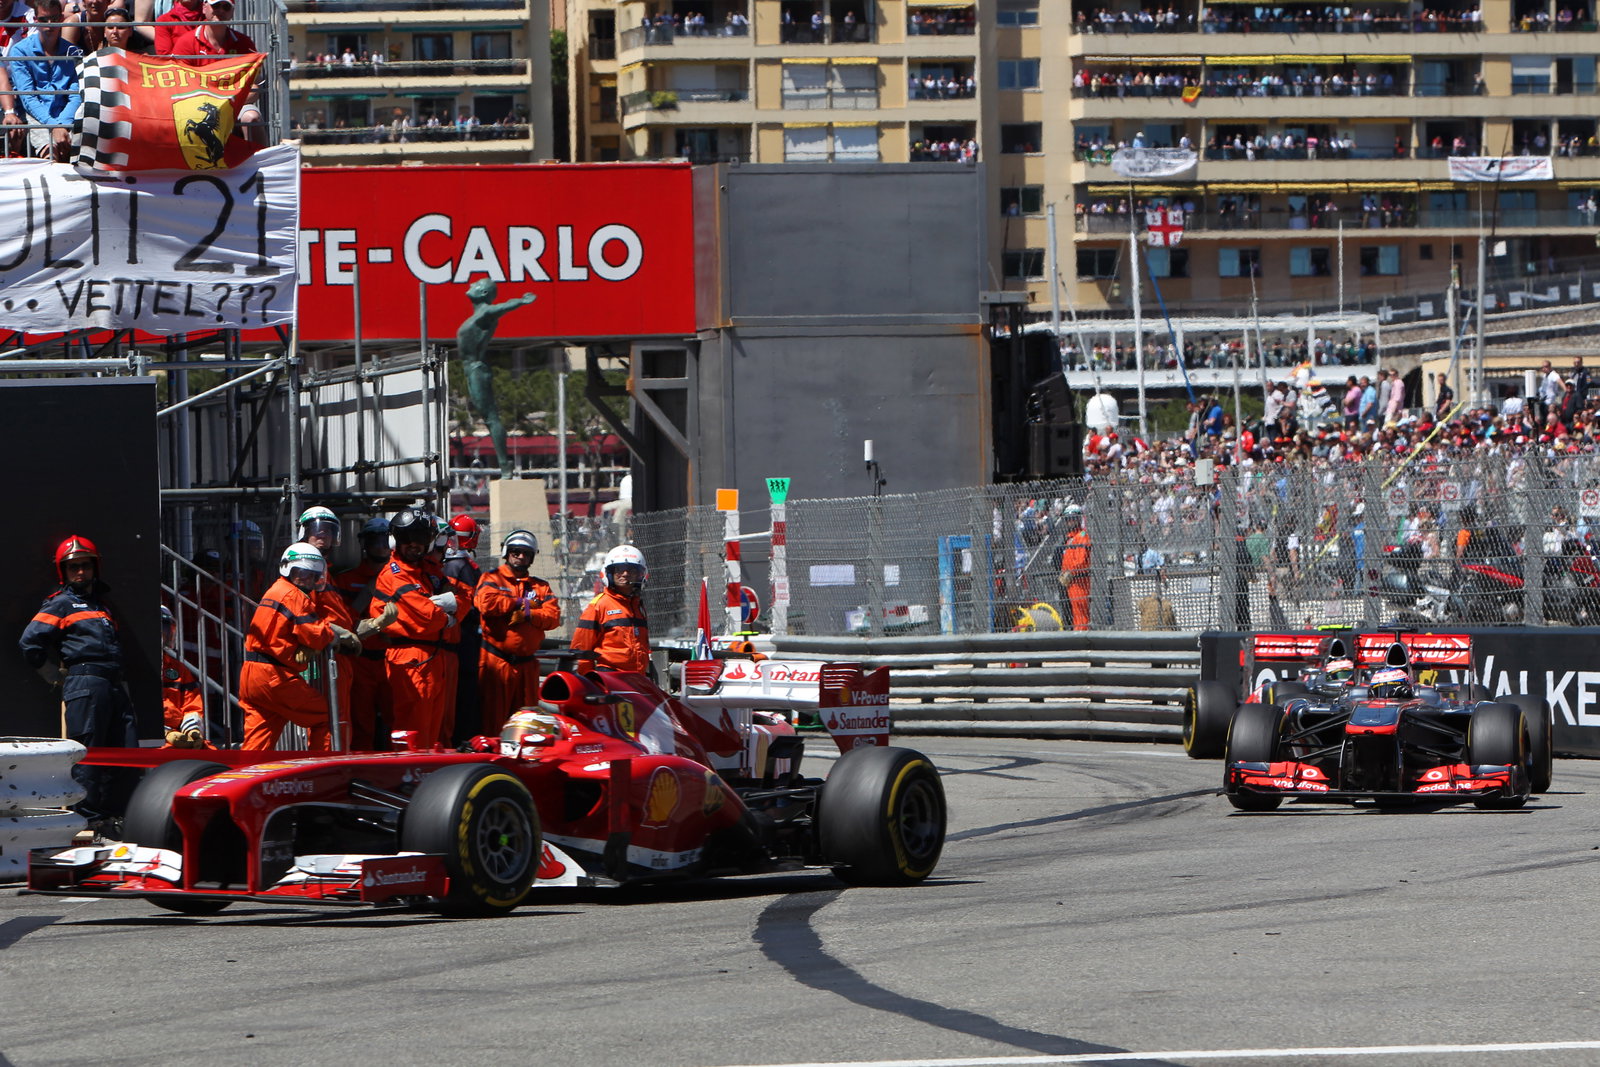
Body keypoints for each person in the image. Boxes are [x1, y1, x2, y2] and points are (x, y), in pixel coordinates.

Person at [18, 535, 138, 830]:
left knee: (125, 751)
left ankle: (113, 818)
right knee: (88, 754)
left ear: (95, 567)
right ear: (64, 572)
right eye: (74, 568)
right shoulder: (60, 604)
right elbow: (29, 641)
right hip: (86, 682)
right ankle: (86, 822)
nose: (80, 572)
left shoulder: (103, 607)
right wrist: (53, 676)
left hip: (114, 684)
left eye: (85, 565)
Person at [240, 543, 361, 751]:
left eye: (312, 576)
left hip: (252, 675)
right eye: (302, 574)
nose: (307, 580)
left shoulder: (275, 590)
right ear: (289, 570)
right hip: (276, 677)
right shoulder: (295, 595)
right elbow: (315, 634)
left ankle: (245, 777)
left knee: (258, 739)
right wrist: (335, 635)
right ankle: (321, 772)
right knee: (328, 717)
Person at [371, 508, 459, 744]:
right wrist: (448, 616)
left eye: (420, 539)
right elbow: (428, 615)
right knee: (413, 730)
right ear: (395, 541)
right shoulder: (394, 575)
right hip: (410, 658)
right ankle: (409, 777)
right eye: (407, 539)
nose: (414, 545)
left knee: (432, 731)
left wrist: (453, 605)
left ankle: (425, 774)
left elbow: (464, 597)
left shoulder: (425, 571)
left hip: (430, 656)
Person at [474, 529, 560, 734]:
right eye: (516, 552)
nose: (521, 557)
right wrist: (518, 602)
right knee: (494, 722)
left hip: (527, 666)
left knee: (526, 723)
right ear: (506, 552)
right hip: (497, 663)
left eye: (526, 553)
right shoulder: (492, 579)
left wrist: (529, 613)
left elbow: (553, 617)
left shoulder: (541, 587)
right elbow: (486, 603)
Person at [456, 279, 535, 478]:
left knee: (491, 418)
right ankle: (504, 465)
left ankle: (505, 466)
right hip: (471, 371)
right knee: (488, 418)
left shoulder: (485, 313)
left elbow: (501, 307)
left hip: (476, 369)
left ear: (483, 293)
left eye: (476, 284)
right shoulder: (479, 315)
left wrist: (521, 301)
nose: (471, 284)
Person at [332, 516, 393, 749]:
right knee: (361, 723)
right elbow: (344, 620)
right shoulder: (346, 580)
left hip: (392, 658)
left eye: (384, 540)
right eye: (374, 540)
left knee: (397, 721)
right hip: (361, 660)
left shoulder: (401, 578)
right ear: (364, 544)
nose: (380, 545)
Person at [7, 0, 82, 162]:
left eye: (54, 19)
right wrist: (54, 125)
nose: (49, 25)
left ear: (61, 19)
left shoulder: (72, 51)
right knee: (51, 153)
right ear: (35, 20)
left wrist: (63, 123)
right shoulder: (20, 51)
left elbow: (75, 94)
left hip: (66, 113)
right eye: (43, 20)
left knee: (79, 151)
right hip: (34, 113)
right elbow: (28, 98)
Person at [571, 544, 651, 674]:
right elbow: (581, 650)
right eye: (619, 569)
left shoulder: (638, 606)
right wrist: (588, 682)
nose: (625, 574)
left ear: (640, 574)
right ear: (610, 573)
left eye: (631, 570)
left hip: (636, 677)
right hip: (609, 678)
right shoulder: (598, 606)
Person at [444, 513, 484, 742]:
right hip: (464, 638)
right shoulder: (461, 565)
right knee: (465, 694)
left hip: (460, 637)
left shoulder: (450, 564)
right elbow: (471, 605)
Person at [159, 605, 207, 748]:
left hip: (180, 735)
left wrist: (193, 729)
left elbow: (192, 704)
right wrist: (164, 733)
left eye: (164, 630)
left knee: (208, 753)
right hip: (150, 740)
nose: (162, 635)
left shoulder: (178, 669)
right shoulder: (127, 667)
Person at [1057, 504, 1091, 630]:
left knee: (1081, 611)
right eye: (1068, 519)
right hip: (1071, 582)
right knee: (1076, 612)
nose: (1070, 522)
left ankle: (1083, 635)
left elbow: (1081, 561)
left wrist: (1069, 573)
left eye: (1073, 518)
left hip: (1080, 581)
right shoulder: (1070, 539)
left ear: (1078, 519)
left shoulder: (1082, 536)